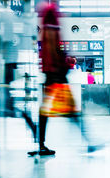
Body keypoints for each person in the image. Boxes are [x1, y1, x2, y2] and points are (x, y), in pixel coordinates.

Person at [36, 1, 102, 156]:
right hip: (56, 73)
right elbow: (52, 42)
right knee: (66, 111)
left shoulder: (49, 11)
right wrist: (61, 65)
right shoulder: (50, 11)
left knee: (50, 111)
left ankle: (41, 144)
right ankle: (88, 141)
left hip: (53, 72)